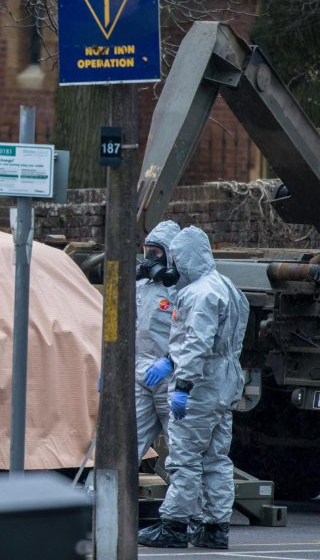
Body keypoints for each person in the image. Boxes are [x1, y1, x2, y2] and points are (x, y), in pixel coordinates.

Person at [138, 226, 249, 550]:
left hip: (201, 384)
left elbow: (196, 344)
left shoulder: (198, 293)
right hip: (225, 383)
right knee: (216, 458)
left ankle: (174, 524)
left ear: (182, 257)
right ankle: (215, 527)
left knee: (184, 458)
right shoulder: (227, 286)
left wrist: (183, 384)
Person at [135, 220, 181, 461]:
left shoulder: (182, 290)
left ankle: (189, 499)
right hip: (141, 373)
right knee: (126, 442)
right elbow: (128, 330)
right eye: (148, 250)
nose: (151, 256)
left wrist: (170, 362)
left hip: (170, 376)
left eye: (157, 251)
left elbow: (191, 335)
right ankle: (106, 496)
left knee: (180, 449)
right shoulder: (140, 287)